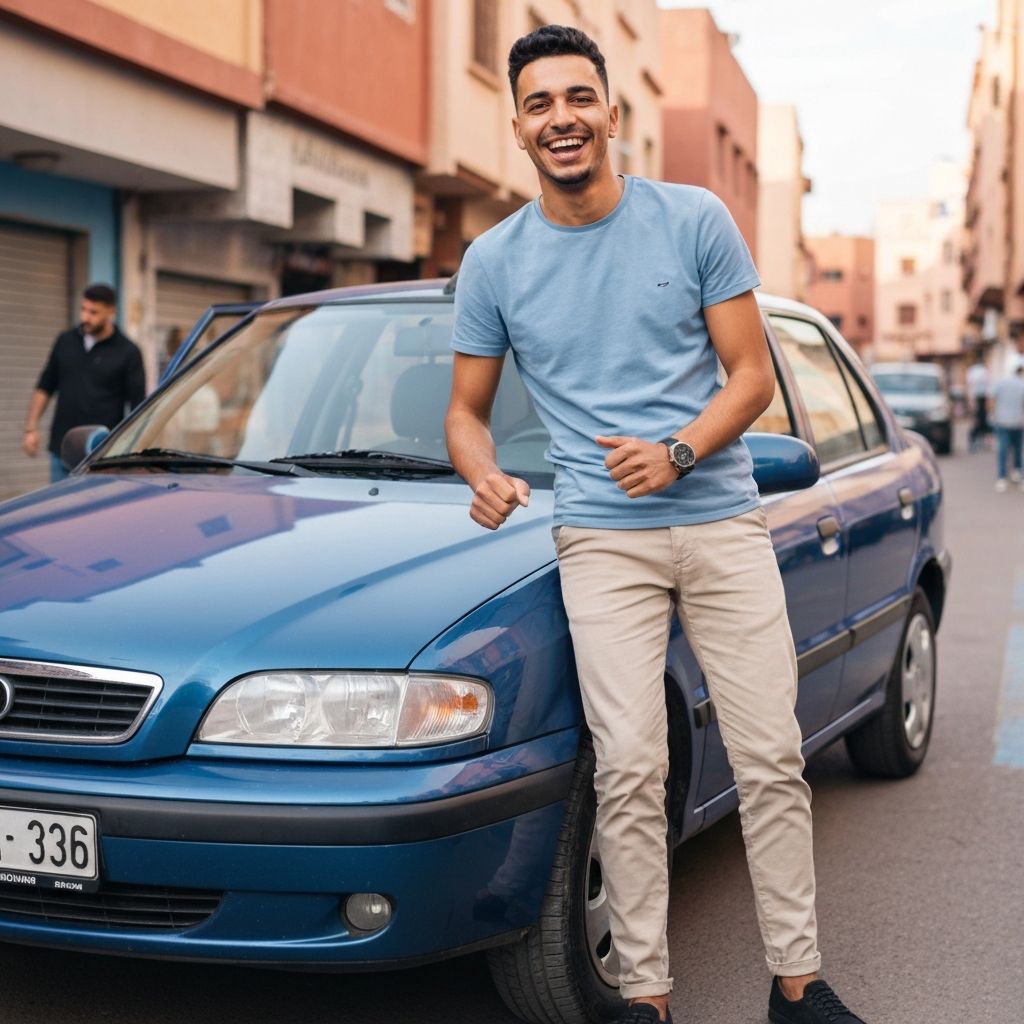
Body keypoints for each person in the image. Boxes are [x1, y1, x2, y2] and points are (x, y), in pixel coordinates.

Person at [445, 25, 867, 1024]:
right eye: (540, 103)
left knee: (769, 756)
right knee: (632, 767)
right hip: (600, 540)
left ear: (609, 111)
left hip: (720, 521)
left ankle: (797, 985)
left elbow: (751, 376)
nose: (561, 118)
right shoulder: (495, 260)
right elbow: (464, 412)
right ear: (518, 127)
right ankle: (646, 997)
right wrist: (482, 470)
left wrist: (677, 451)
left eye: (577, 98)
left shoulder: (693, 219)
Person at [23, 283, 145, 481]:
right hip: (62, 451)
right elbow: (45, 385)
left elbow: (138, 406)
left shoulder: (128, 352)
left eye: (93, 312)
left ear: (111, 311)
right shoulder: (65, 341)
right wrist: (31, 428)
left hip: (102, 457)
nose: (85, 317)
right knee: (60, 501)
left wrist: (131, 451)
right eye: (83, 309)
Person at [990, 364, 1024, 491]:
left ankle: (1002, 477)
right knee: (1018, 450)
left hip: (1002, 420)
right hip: (1018, 421)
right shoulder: (1021, 384)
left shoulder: (1000, 383)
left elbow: (992, 399)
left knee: (1003, 450)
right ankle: (1018, 473)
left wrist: (993, 414)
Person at [966, 352, 991, 452]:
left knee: (979, 422)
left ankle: (977, 442)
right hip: (979, 398)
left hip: (978, 398)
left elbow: (970, 385)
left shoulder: (972, 371)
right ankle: (977, 442)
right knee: (979, 422)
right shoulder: (983, 371)